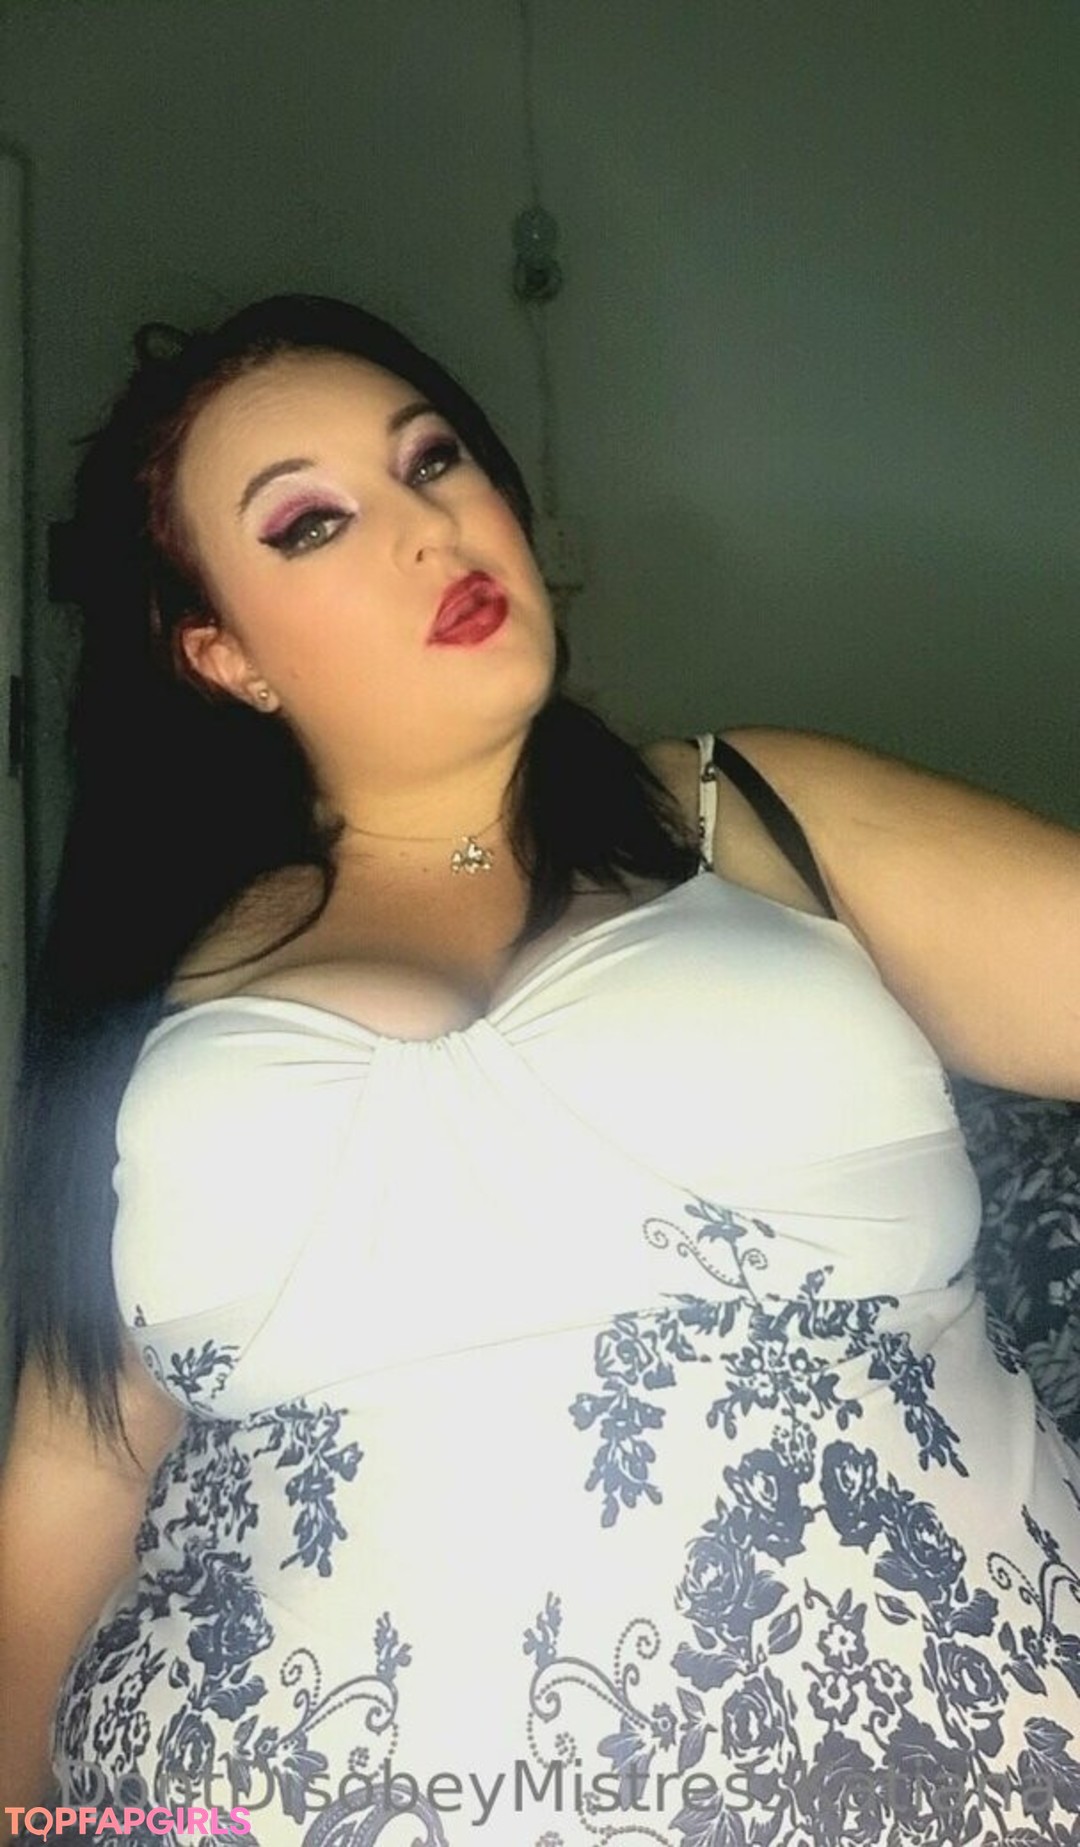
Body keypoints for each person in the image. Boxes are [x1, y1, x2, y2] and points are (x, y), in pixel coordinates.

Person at [1, 293, 1078, 1847]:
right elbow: (78, 1454)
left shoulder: (756, 815)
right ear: (223, 655)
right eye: (312, 523)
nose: (427, 530)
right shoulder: (144, 981)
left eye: (433, 459)